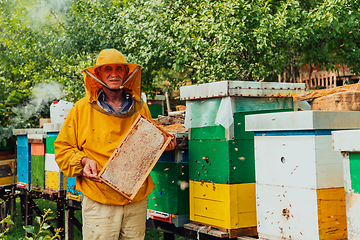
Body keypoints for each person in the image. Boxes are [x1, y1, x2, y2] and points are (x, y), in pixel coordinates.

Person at [54, 49, 175, 240]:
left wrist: (162, 143)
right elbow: (63, 149)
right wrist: (84, 161)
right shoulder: (82, 108)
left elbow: (146, 145)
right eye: (107, 69)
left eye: (119, 69)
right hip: (100, 200)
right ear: (98, 74)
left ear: (126, 74)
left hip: (135, 200)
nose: (114, 73)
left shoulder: (141, 107)